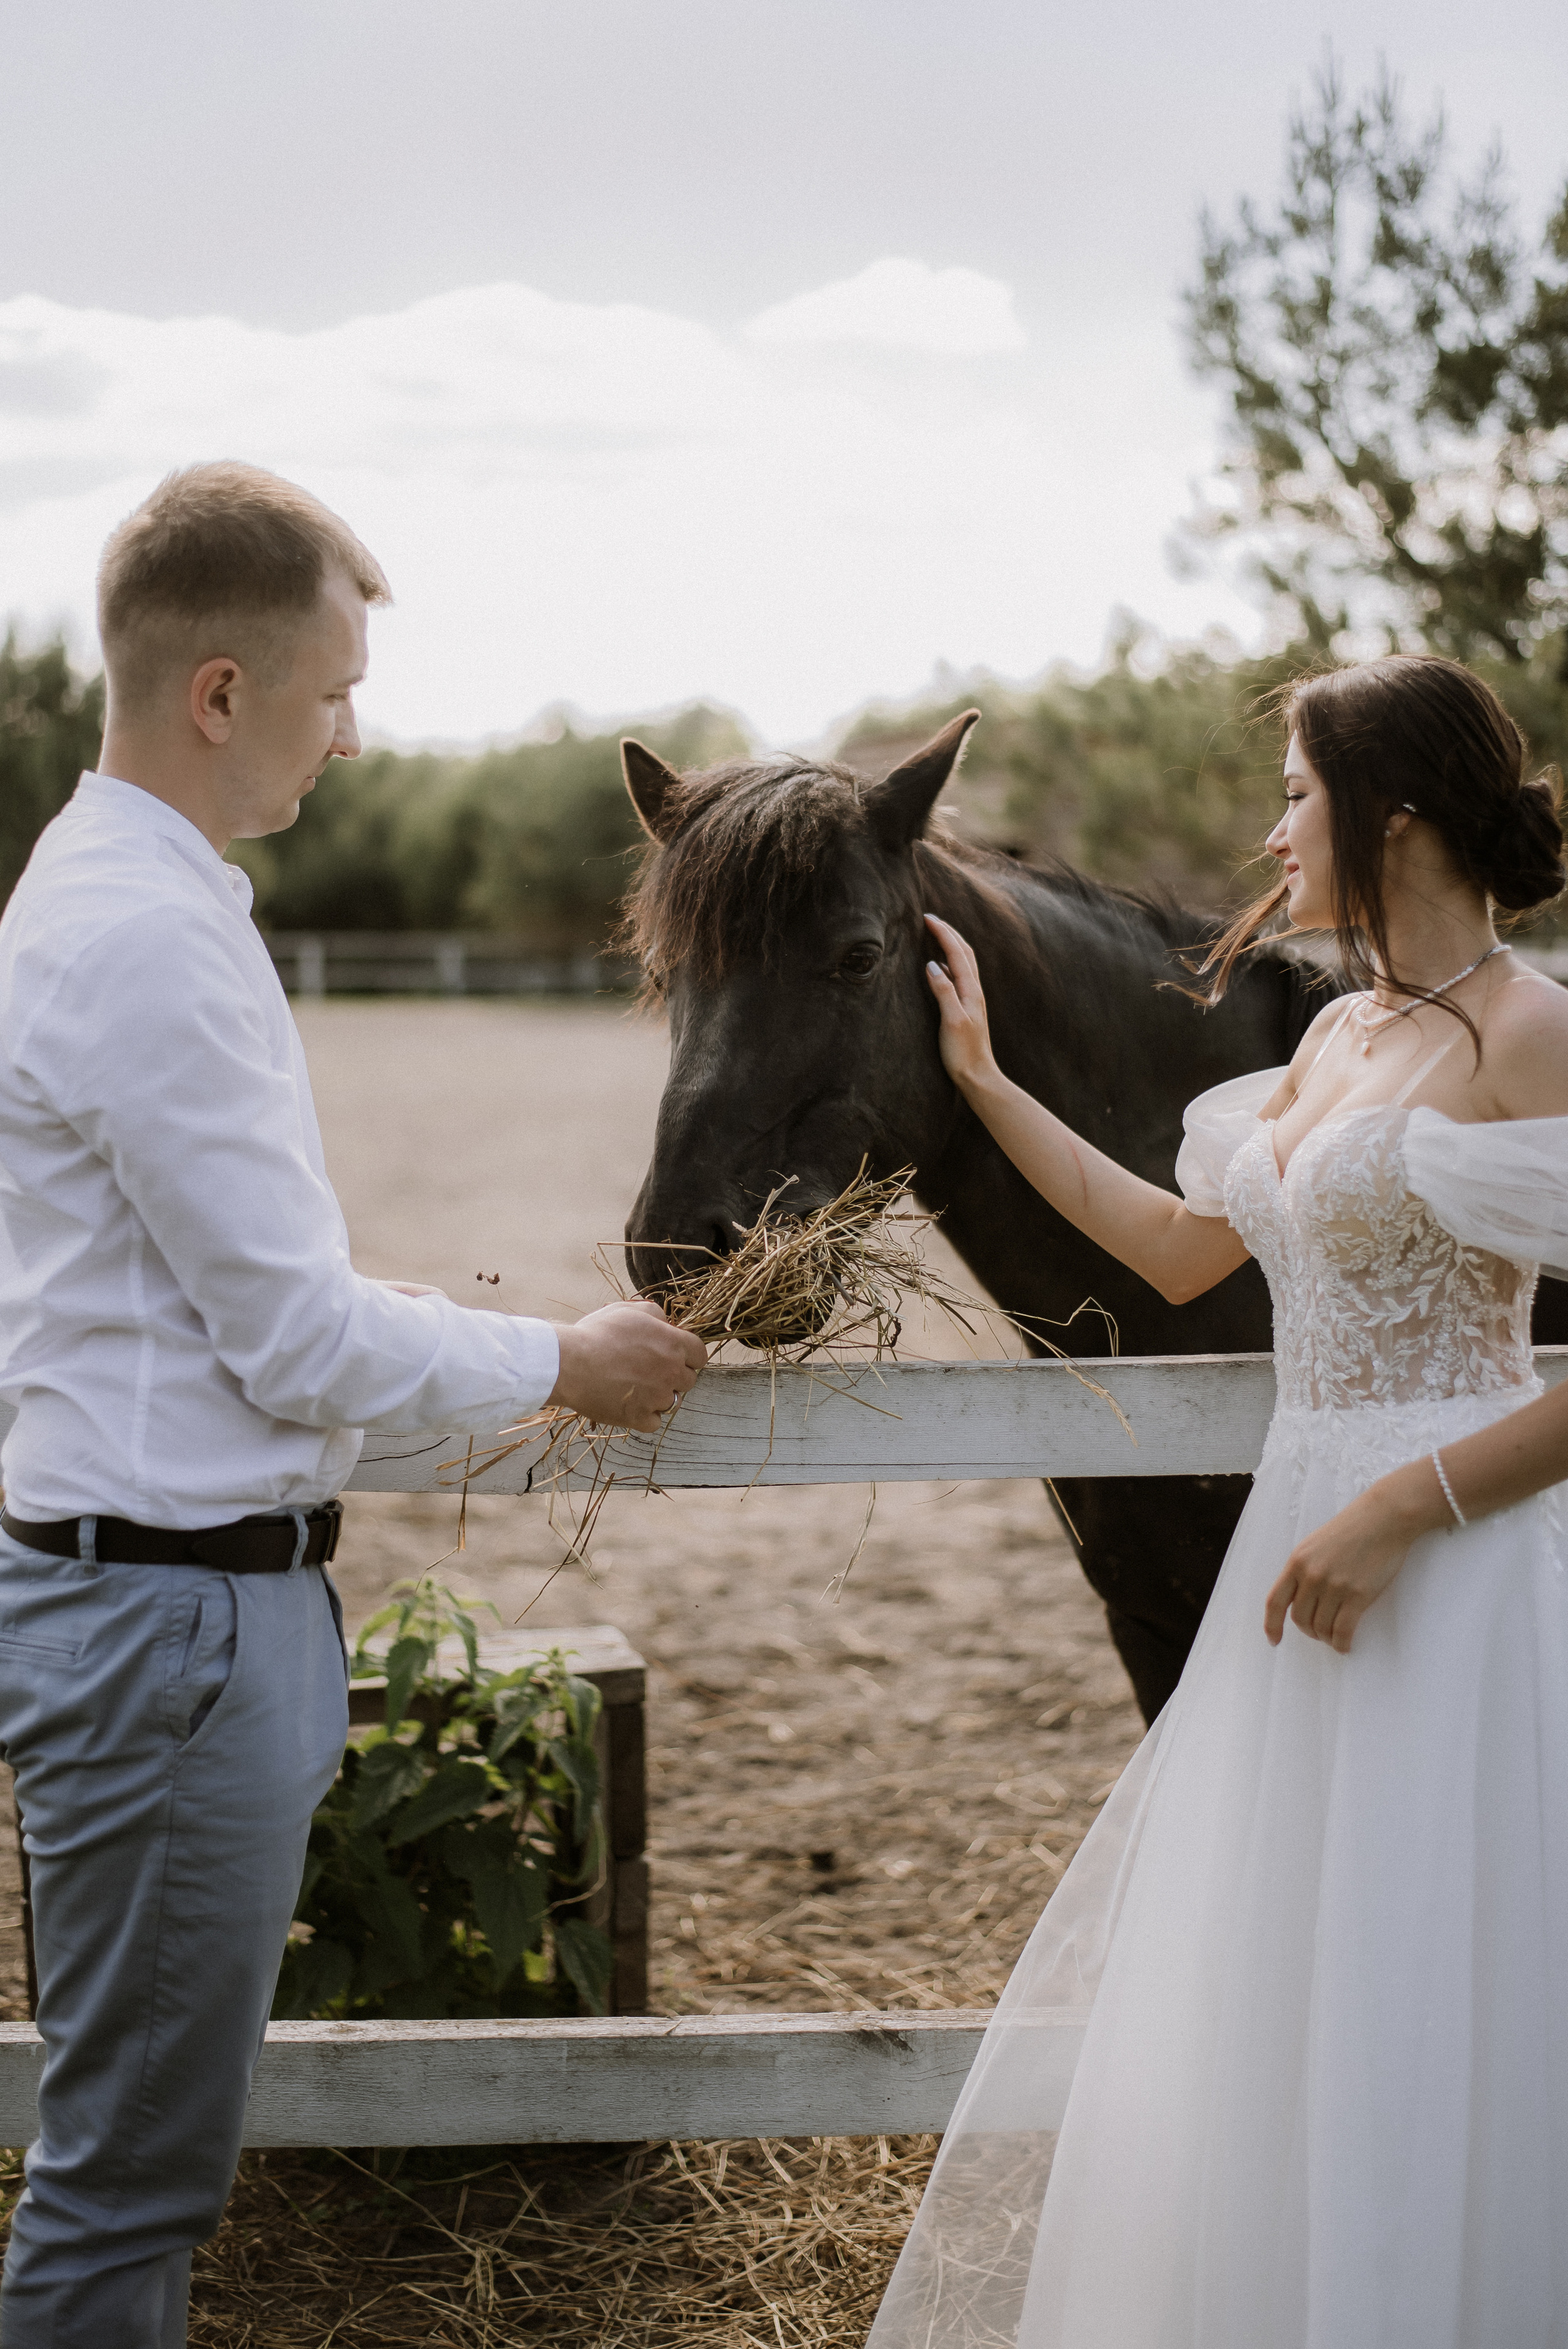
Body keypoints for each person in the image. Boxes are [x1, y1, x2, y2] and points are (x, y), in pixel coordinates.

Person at [0, 461, 706, 2347]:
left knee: (136, 2169)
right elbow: (297, 1344)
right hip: (170, 1626)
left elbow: (223, 1296)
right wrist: (561, 1359)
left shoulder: (123, 898)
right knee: (125, 2187)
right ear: (219, 690)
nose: (356, 737)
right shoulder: (144, 938)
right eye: (334, 693)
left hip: (168, 1605)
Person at [868, 653, 1568, 2348]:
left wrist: (1407, 1508)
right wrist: (986, 1083)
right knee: (1291, 1969)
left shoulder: (1535, 1030)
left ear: (1391, 814)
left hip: (1454, 1561)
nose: (1273, 833)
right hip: (1300, 1545)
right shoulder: (1336, 1032)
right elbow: (1181, 1248)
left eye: (1295, 795)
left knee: (1434, 1965)